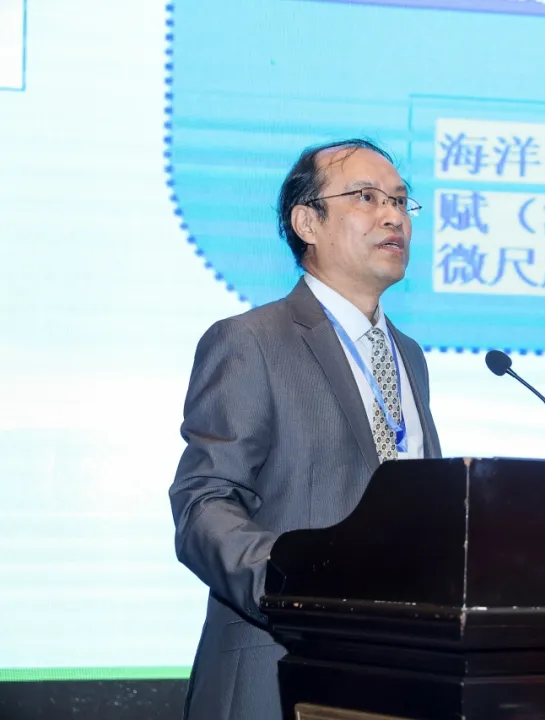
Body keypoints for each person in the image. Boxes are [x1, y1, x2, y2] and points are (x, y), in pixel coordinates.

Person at [169, 138, 442, 720]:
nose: (393, 215)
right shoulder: (250, 341)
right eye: (366, 197)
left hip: (394, 679)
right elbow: (203, 504)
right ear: (307, 222)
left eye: (400, 200)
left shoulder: (410, 357)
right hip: (277, 672)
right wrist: (296, 589)